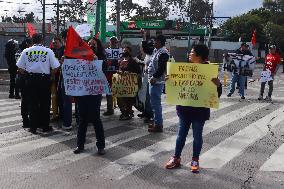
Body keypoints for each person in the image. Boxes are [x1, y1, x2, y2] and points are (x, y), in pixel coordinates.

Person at [165, 44, 222, 173]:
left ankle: (195, 159)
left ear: (199, 56)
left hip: (200, 110)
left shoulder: (209, 70)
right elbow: (174, 87)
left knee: (197, 135)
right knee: (181, 134)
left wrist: (218, 85)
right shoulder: (184, 68)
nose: (189, 54)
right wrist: (169, 81)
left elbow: (216, 93)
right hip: (184, 108)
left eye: (192, 52)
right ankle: (176, 157)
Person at [16, 34, 60, 134]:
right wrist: (50, 74)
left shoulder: (26, 51)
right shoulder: (48, 51)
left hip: (31, 79)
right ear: (42, 40)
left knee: (32, 103)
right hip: (44, 79)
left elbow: (19, 67)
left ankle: (33, 127)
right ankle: (45, 126)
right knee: (45, 103)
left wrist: (27, 74)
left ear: (32, 40)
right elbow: (56, 67)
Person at [73, 37, 106, 155]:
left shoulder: (101, 57)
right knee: (82, 119)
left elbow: (104, 71)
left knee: (96, 118)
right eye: (89, 44)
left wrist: (96, 61)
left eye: (93, 44)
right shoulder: (80, 57)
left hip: (95, 92)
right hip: (82, 92)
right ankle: (80, 145)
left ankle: (101, 146)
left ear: (98, 46)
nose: (91, 45)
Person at [147, 35, 169, 133]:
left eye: (155, 41)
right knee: (154, 103)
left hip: (156, 81)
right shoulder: (157, 51)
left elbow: (161, 68)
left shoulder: (163, 52)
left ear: (159, 42)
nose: (153, 43)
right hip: (154, 80)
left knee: (156, 104)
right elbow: (146, 48)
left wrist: (154, 77)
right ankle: (157, 122)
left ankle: (158, 125)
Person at [117, 46, 141, 120]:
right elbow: (120, 69)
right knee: (120, 99)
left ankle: (128, 113)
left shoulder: (133, 61)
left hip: (129, 84)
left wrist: (130, 73)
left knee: (128, 99)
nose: (124, 52)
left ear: (130, 52)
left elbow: (138, 72)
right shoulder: (121, 60)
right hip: (121, 83)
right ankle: (123, 112)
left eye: (126, 50)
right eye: (124, 50)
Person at [137, 30, 155, 123]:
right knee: (143, 95)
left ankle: (150, 114)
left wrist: (144, 37)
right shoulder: (148, 54)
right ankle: (145, 111)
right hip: (145, 75)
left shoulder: (153, 53)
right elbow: (145, 63)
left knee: (148, 96)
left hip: (150, 77)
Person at [15, 38, 33, 128]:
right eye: (31, 44)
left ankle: (25, 120)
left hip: (19, 78)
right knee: (27, 100)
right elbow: (21, 68)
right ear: (27, 44)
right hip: (24, 77)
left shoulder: (18, 51)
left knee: (24, 100)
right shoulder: (24, 52)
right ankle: (27, 121)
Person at [103, 36, 120, 116]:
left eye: (115, 42)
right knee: (109, 92)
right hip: (109, 74)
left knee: (119, 92)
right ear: (110, 42)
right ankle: (110, 109)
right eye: (112, 42)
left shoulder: (120, 52)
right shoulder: (106, 51)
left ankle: (124, 110)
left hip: (117, 74)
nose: (114, 44)